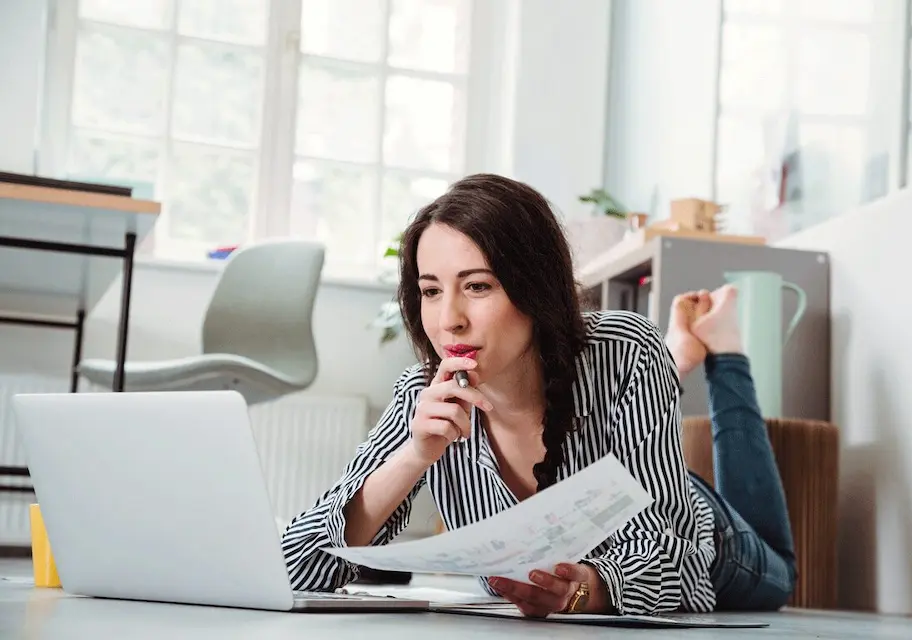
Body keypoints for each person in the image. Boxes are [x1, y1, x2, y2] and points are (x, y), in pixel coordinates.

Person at [280, 173, 796, 616]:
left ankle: (725, 351)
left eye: (478, 286)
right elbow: (295, 563)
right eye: (431, 290)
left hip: (707, 539)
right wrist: (414, 455)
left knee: (784, 571)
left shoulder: (626, 349)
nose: (448, 319)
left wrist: (586, 593)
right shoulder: (422, 393)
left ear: (535, 289)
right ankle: (679, 357)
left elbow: (669, 557)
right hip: (629, 462)